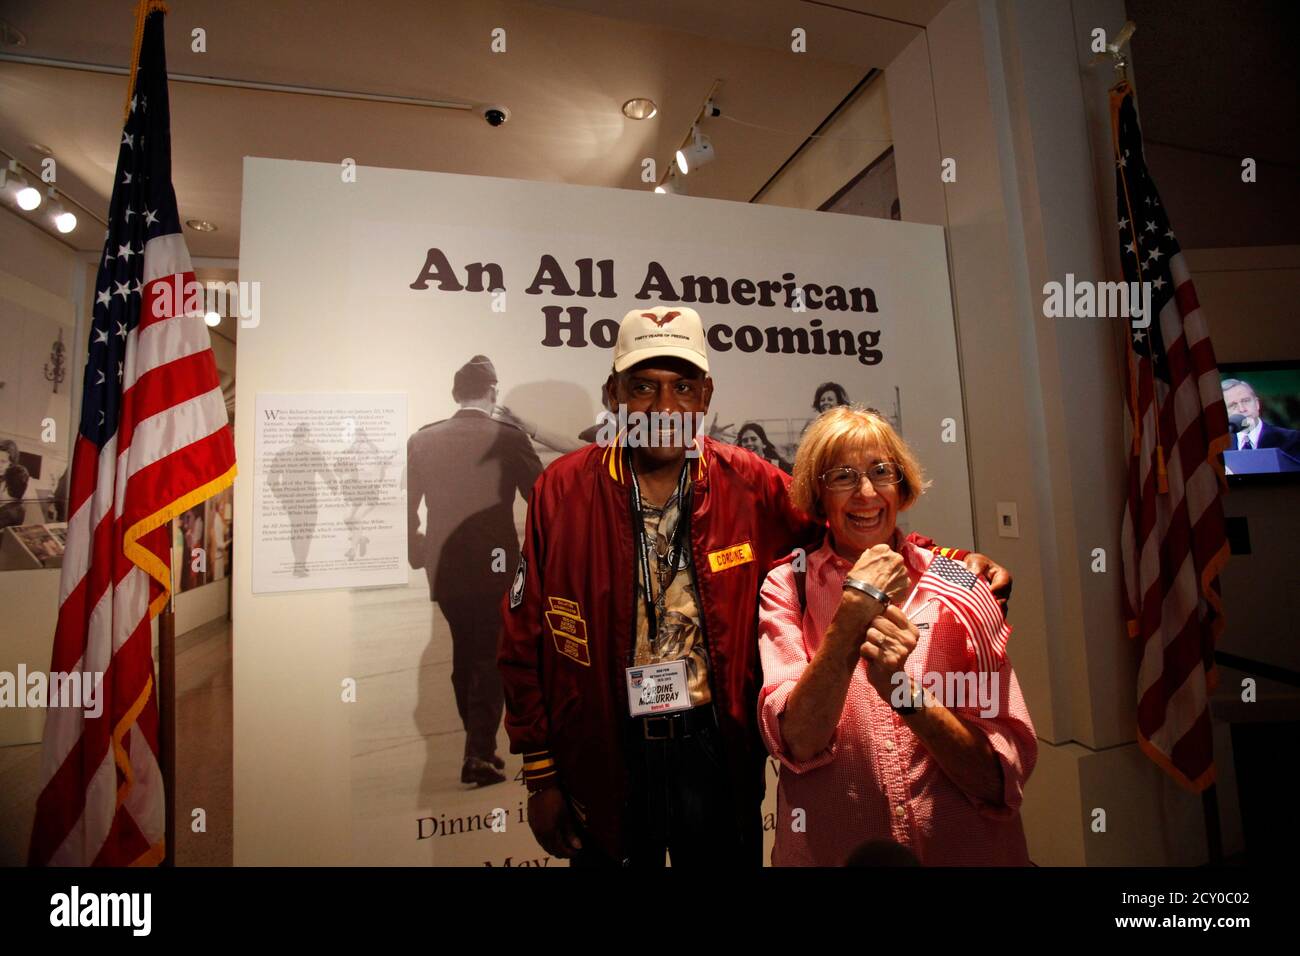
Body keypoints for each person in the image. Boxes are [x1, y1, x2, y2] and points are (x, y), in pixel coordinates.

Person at [498, 306, 1013, 867]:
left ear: (706, 394)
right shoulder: (562, 490)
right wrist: (540, 772)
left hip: (716, 745)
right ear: (613, 392)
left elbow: (847, 523)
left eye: (683, 387)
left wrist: (950, 559)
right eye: (643, 387)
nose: (664, 408)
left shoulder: (749, 481)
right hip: (604, 746)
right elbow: (524, 636)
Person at [757, 405, 1036, 865]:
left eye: (881, 471)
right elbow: (798, 742)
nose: (866, 493)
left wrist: (905, 695)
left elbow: (1000, 780)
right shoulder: (788, 586)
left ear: (901, 486)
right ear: (818, 495)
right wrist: (852, 614)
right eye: (843, 476)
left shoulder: (959, 586)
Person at [408, 355, 543, 787]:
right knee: (488, 653)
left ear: (454, 394)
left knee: (466, 651)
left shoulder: (423, 439)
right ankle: (479, 753)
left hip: (443, 566)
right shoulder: (507, 437)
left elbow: (406, 504)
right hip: (495, 562)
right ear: (493, 391)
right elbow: (539, 496)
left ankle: (477, 744)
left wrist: (417, 550)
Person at [1222, 378, 1300, 456]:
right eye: (1233, 405)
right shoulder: (1219, 448)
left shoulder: (1291, 439)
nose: (1242, 409)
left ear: (1257, 404)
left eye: (1246, 401)